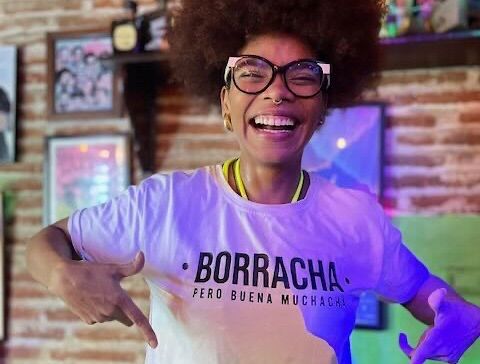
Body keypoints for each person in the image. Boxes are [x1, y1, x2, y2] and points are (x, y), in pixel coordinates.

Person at [26, 1, 480, 363]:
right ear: (226, 103)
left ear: (321, 107)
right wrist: (61, 274)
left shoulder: (356, 217)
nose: (277, 90)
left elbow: (426, 294)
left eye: (302, 75)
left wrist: (459, 315)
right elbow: (49, 241)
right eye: (252, 73)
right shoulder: (164, 203)